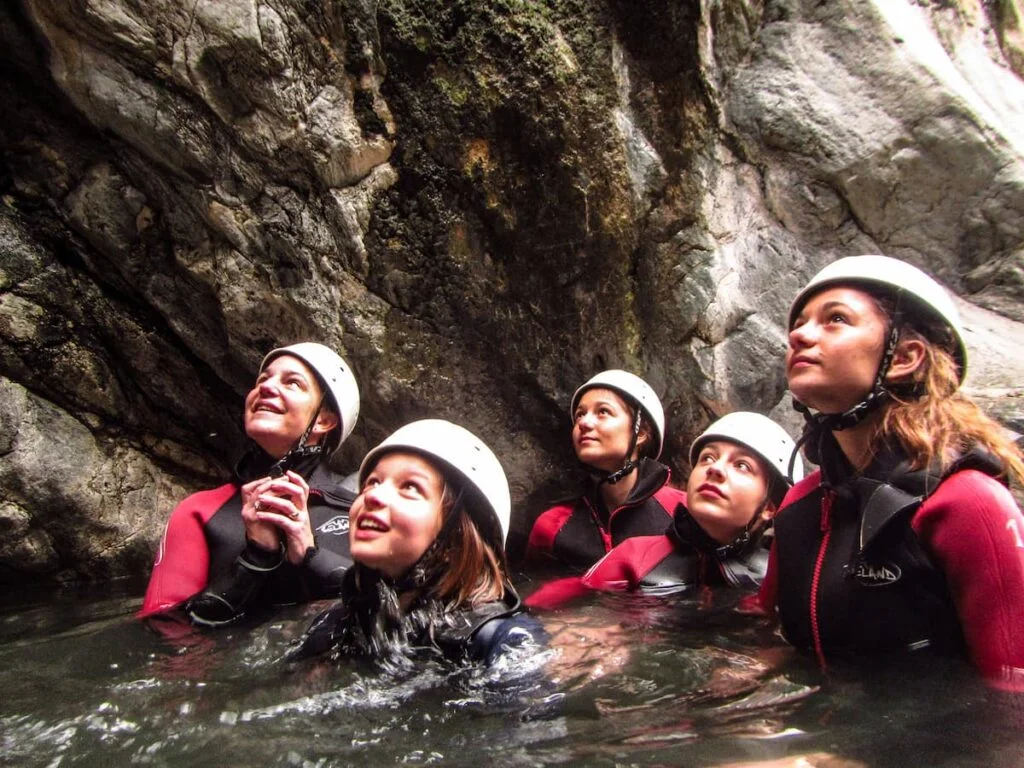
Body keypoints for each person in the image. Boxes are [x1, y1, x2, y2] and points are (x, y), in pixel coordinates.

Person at [755, 254, 1024, 690]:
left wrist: (829, 763)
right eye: (799, 323)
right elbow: (774, 639)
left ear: (903, 357)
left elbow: (1012, 701)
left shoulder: (967, 503)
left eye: (835, 319)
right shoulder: (799, 506)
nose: (799, 335)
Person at [287, 419, 544, 668]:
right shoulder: (337, 625)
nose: (373, 495)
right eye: (372, 482)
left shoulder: (501, 642)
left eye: (410, 487)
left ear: (458, 535)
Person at [138, 342, 360, 627]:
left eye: (292, 383)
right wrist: (257, 558)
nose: (265, 388)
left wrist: (310, 554)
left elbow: (393, 612)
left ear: (324, 421)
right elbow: (164, 633)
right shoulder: (200, 511)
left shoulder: (358, 512)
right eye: (263, 379)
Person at [524, 413, 802, 608]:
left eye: (742, 466)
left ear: (769, 508)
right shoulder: (635, 557)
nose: (715, 469)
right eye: (708, 458)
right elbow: (566, 596)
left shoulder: (786, 578)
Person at [525, 370, 686, 571]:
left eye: (603, 412)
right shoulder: (551, 527)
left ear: (642, 432)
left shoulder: (683, 513)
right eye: (580, 414)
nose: (584, 422)